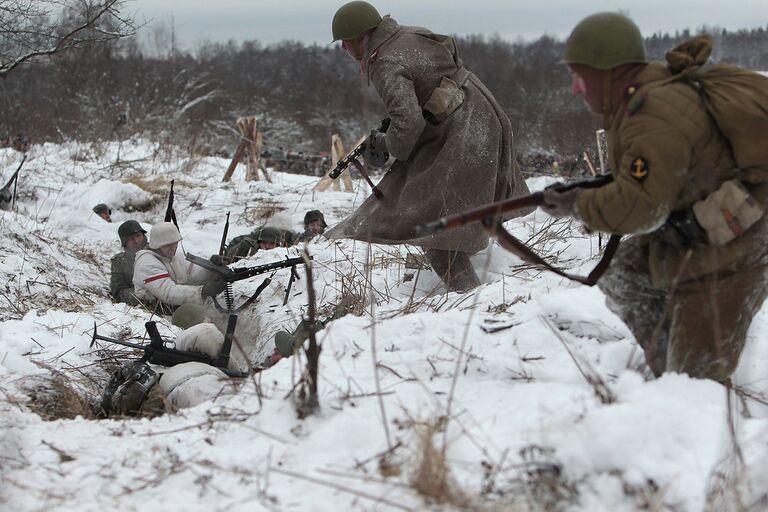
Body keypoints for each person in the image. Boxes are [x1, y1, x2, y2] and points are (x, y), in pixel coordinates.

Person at [541, 12, 768, 382]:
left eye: (579, 76)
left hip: (733, 254)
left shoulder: (652, 114)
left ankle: (687, 381)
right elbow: (651, 178)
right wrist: (587, 192)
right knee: (625, 277)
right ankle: (668, 371)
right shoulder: (644, 100)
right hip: (698, 233)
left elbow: (641, 209)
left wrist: (577, 205)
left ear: (609, 71)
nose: (575, 89)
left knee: (698, 387)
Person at [324, 2, 531, 292]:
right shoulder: (409, 35)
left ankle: (471, 299)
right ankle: (479, 281)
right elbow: (448, 54)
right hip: (481, 113)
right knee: (448, 215)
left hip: (464, 131)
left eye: (344, 42)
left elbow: (408, 124)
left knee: (429, 222)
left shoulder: (384, 61)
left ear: (359, 36)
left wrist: (386, 144)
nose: (344, 49)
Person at [133, 222, 227, 311]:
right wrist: (202, 292)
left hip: (173, 308)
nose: (174, 248)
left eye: (175, 243)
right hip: (154, 313)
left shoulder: (174, 257)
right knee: (195, 315)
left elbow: (194, 273)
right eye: (169, 245)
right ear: (157, 245)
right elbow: (168, 292)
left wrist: (213, 269)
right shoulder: (146, 263)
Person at [110, 220, 148, 306]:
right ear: (125, 242)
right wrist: (144, 295)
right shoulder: (120, 262)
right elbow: (119, 293)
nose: (136, 241)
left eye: (138, 236)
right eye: (131, 238)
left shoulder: (157, 250)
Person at [225, 225, 297, 262]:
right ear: (259, 242)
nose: (267, 246)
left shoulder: (282, 255)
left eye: (271, 243)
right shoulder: (247, 247)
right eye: (264, 242)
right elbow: (227, 262)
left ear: (278, 245)